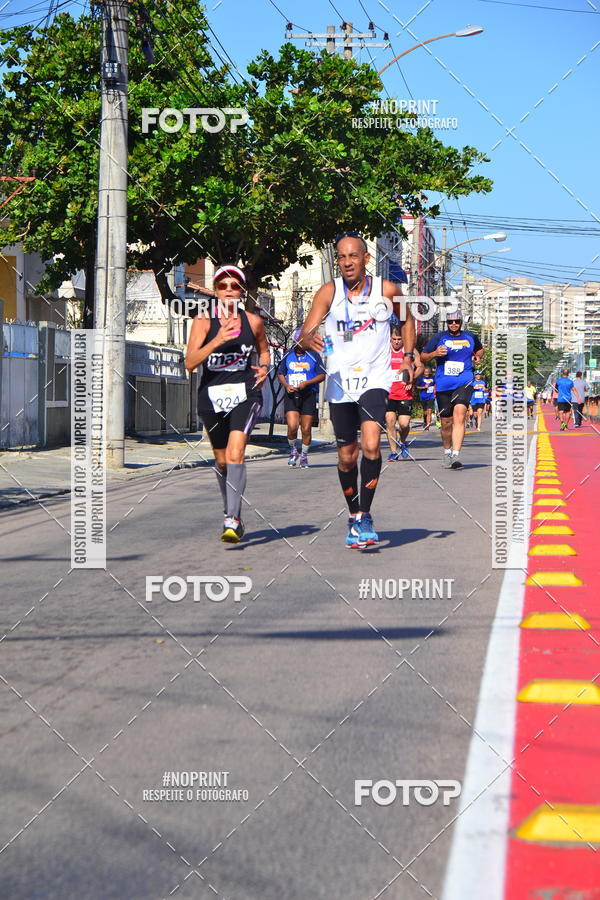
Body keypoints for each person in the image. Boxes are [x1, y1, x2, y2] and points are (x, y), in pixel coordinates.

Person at [299, 233, 415, 548]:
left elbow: (407, 321)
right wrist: (308, 339)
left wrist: (406, 357)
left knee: (372, 445)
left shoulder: (387, 290)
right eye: (341, 257)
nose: (347, 262)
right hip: (339, 383)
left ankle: (365, 514)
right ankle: (353, 515)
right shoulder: (328, 292)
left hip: (375, 378)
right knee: (347, 456)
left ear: (365, 258)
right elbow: (304, 334)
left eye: (353, 256)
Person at [185, 265, 270, 543]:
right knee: (222, 461)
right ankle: (231, 511)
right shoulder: (203, 322)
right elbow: (190, 363)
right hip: (211, 398)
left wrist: (265, 367)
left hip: (245, 394)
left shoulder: (253, 322)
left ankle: (231, 520)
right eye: (224, 286)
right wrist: (219, 339)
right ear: (217, 290)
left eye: (235, 286)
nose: (229, 291)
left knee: (235, 454)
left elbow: (264, 350)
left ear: (242, 291)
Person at [421, 310, 484, 469]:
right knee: (446, 422)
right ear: (446, 323)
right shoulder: (438, 337)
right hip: (443, 384)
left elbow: (480, 349)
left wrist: (478, 357)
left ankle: (456, 455)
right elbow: (423, 357)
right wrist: (435, 353)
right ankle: (447, 452)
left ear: (461, 322)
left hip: (464, 381)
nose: (454, 324)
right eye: (450, 322)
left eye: (457, 321)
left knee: (460, 414)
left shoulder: (470, 336)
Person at [277, 334, 326, 466]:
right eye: (299, 341)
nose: (302, 343)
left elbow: (322, 375)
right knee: (292, 427)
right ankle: (293, 451)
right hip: (292, 394)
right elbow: (280, 373)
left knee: (306, 429)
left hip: (308, 394)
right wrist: (286, 385)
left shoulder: (313, 355)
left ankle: (304, 455)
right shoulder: (288, 354)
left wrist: (308, 382)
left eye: (304, 341)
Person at [386, 325, 423, 460]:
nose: (396, 342)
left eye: (399, 339)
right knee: (390, 421)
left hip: (404, 393)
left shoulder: (410, 351)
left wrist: (412, 379)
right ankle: (393, 451)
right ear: (390, 339)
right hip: (388, 392)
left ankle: (403, 442)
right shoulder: (384, 350)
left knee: (404, 424)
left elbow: (420, 366)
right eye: (394, 339)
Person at [415, 366, 436, 430]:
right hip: (423, 396)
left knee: (429, 411)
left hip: (431, 396)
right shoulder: (420, 378)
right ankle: (425, 421)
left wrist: (435, 390)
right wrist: (423, 387)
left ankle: (427, 426)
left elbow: (435, 384)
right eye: (425, 372)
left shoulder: (433, 377)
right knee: (425, 412)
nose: (426, 373)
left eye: (428, 372)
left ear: (429, 372)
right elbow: (417, 387)